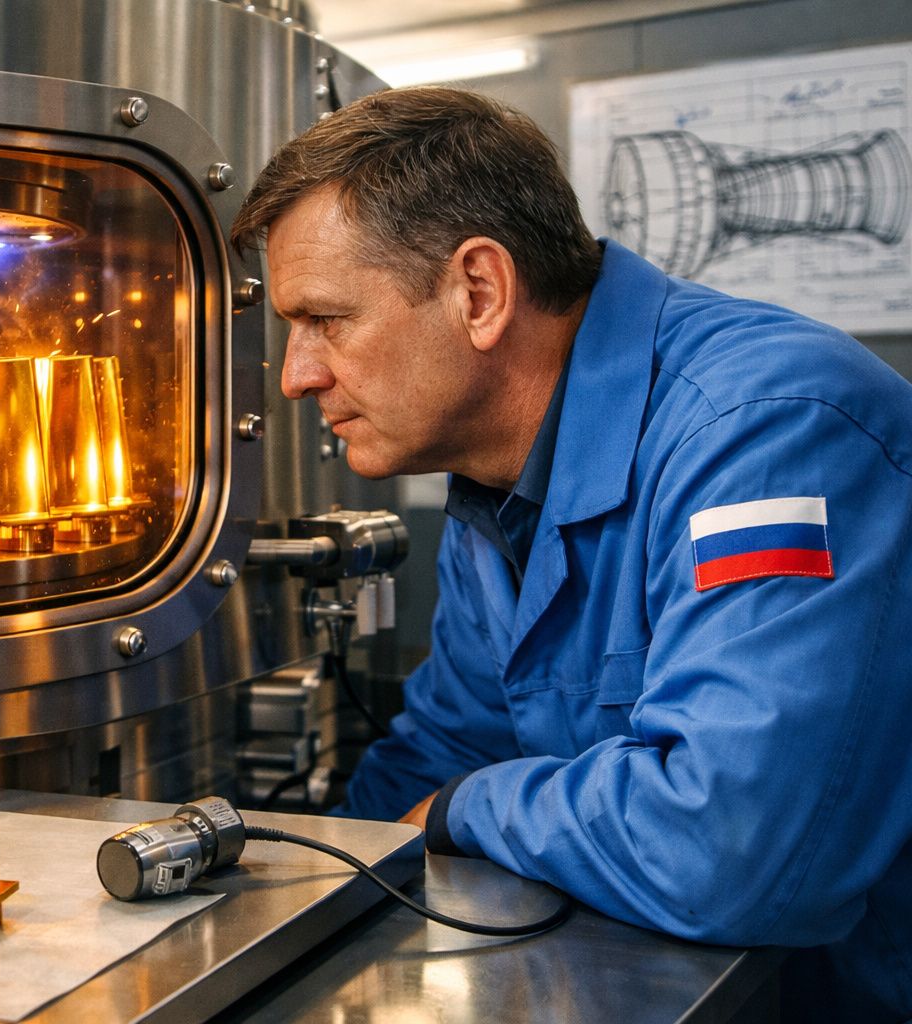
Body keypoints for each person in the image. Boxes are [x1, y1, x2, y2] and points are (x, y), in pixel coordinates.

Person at [230, 86, 912, 1022]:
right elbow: (450, 744)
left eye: (326, 320)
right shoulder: (496, 482)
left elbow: (733, 847)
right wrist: (296, 892)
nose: (296, 376)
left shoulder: (768, 432)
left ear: (479, 292)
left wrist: (469, 810)